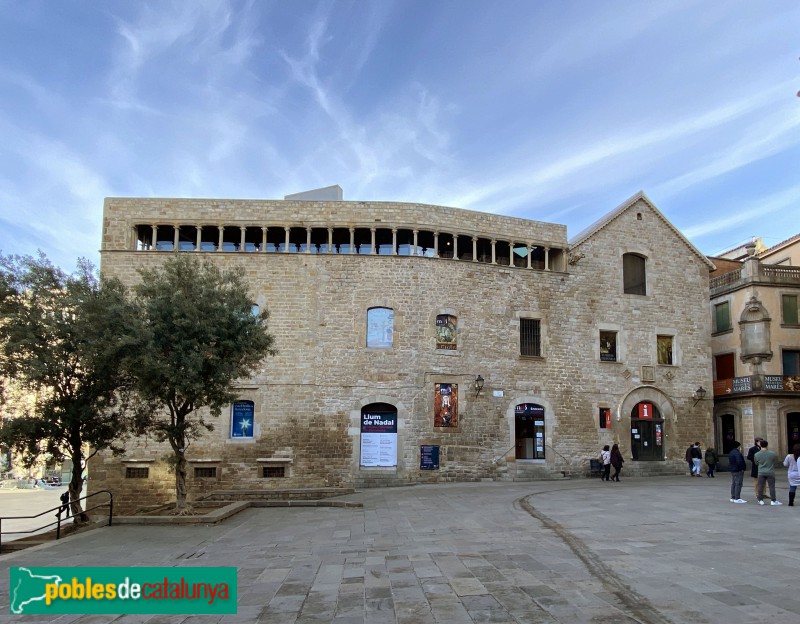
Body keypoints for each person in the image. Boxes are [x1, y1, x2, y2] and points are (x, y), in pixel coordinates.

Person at [754, 439, 782, 506]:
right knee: (772, 487)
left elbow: (756, 463)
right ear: (767, 445)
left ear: (760, 445)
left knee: (760, 486)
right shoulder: (772, 454)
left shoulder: (757, 454)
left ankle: (760, 500)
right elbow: (774, 462)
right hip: (770, 472)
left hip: (761, 472)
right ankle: (773, 500)